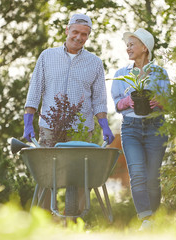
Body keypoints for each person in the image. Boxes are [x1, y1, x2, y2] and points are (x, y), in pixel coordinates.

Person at [23, 13, 115, 214]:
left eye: (84, 34)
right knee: (47, 177)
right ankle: (45, 220)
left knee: (80, 178)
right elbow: (35, 90)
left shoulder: (95, 63)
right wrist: (28, 121)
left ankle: (75, 222)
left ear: (88, 36)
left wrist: (105, 125)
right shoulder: (47, 56)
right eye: (75, 32)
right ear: (67, 30)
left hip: (80, 129)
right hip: (49, 126)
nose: (79, 37)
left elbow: (99, 100)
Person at [111, 28, 170, 230]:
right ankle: (146, 219)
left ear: (145, 47)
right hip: (131, 129)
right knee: (137, 173)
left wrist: (159, 102)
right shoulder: (121, 75)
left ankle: (155, 219)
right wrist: (127, 101)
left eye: (132, 44)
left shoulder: (160, 73)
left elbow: (169, 102)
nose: (128, 48)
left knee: (153, 176)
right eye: (127, 45)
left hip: (156, 127)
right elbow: (117, 105)